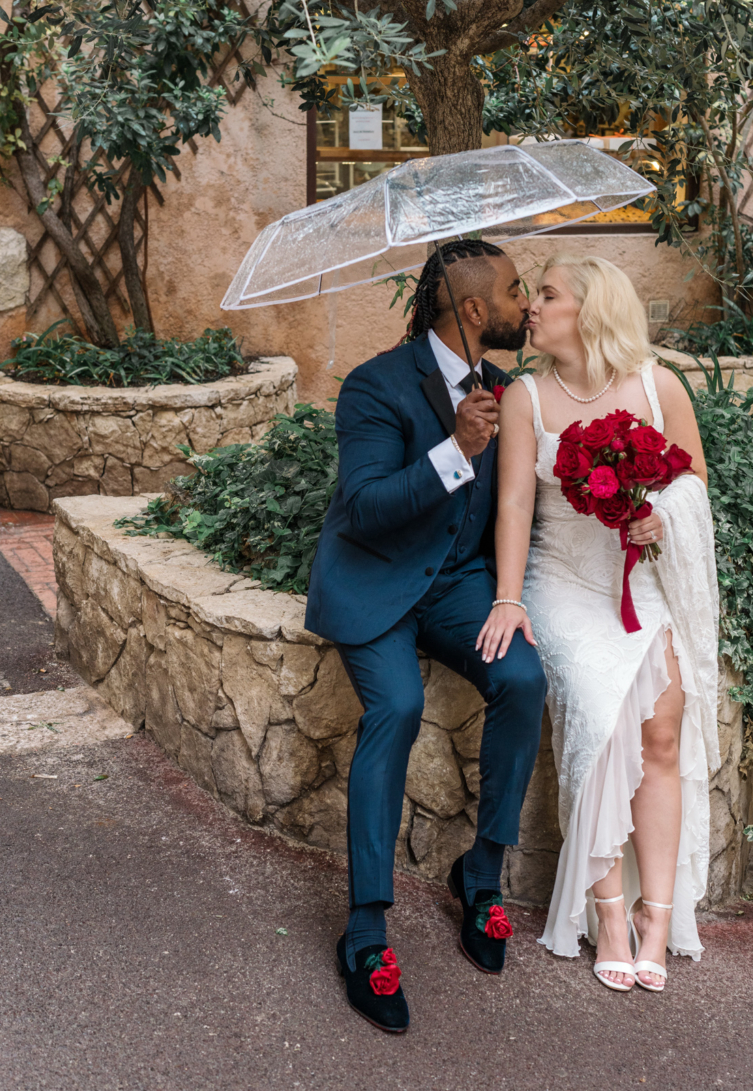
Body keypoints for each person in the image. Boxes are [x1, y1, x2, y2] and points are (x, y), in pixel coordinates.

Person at [305, 238, 547, 1034]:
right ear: (472, 309)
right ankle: (367, 931)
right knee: (398, 707)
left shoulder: (505, 387)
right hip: (375, 580)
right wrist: (456, 451)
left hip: (453, 589)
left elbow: (518, 506)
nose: (526, 303)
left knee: (522, 681)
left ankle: (479, 874)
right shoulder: (375, 385)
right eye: (515, 291)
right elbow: (368, 506)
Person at [489, 255, 719, 992]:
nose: (532, 306)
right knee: (598, 712)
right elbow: (516, 506)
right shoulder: (526, 396)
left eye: (547, 295)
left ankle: (658, 916)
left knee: (660, 726)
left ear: (589, 310)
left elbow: (694, 485)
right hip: (562, 584)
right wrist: (508, 597)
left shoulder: (659, 386)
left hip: (639, 581)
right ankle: (609, 915)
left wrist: (657, 517)